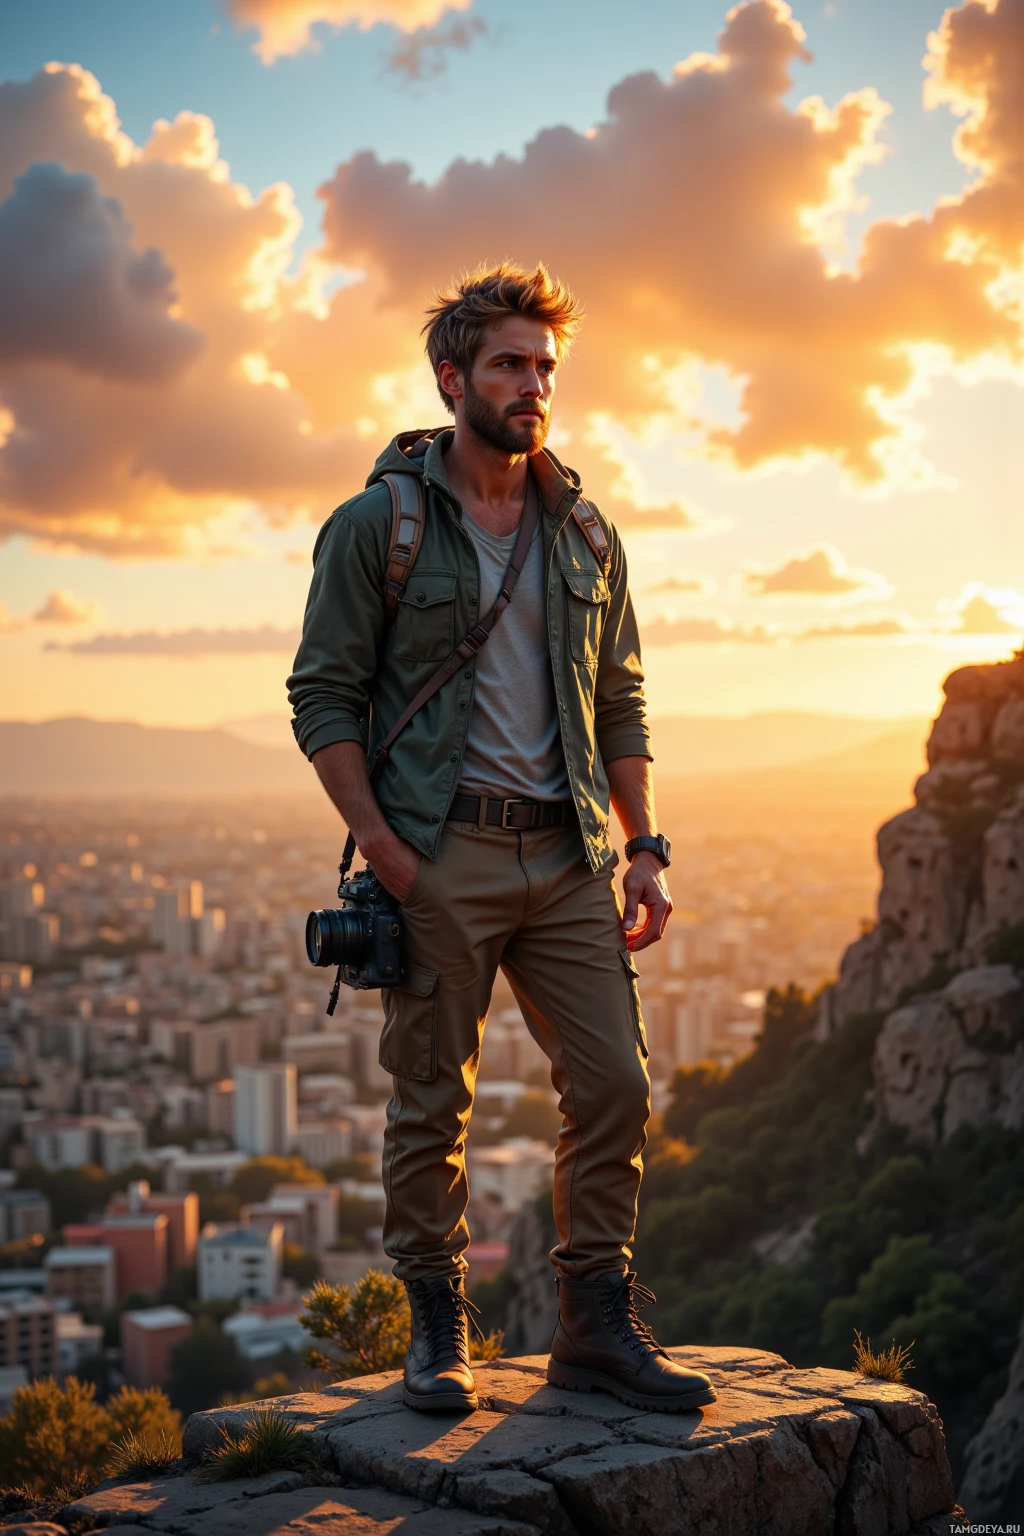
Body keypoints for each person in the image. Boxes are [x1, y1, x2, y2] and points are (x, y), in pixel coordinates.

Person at [288, 261, 715, 1415]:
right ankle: (439, 1326)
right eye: (509, 365)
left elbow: (617, 700)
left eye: (545, 368)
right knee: (433, 1099)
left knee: (617, 1087)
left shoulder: (583, 530)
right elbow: (321, 695)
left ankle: (593, 1323)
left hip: (570, 853)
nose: (533, 386)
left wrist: (645, 847)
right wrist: (385, 850)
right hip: (441, 848)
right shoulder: (378, 526)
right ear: (451, 378)